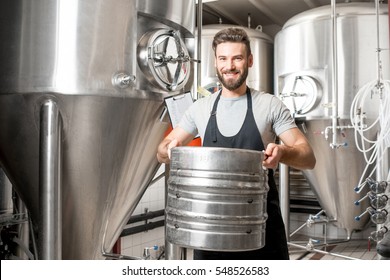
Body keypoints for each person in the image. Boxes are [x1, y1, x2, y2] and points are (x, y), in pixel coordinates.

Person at [157, 27, 316, 260]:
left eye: (237, 58)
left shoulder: (270, 105)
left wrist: (282, 152)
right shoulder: (200, 108)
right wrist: (168, 149)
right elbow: (163, 150)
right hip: (210, 231)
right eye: (223, 58)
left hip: (260, 229)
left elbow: (308, 157)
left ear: (249, 61)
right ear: (215, 62)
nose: (229, 66)